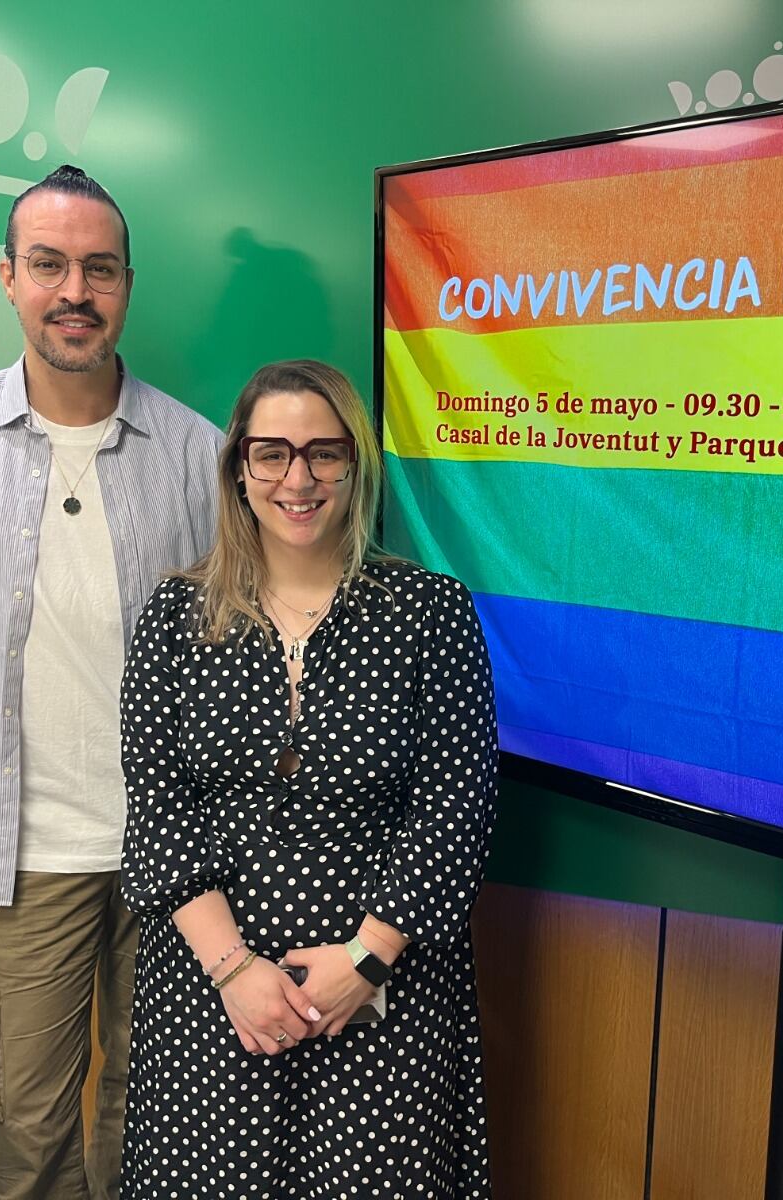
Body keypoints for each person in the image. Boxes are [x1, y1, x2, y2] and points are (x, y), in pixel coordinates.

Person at [0, 164, 220, 1200]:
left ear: (127, 284)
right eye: (49, 265)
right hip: (23, 853)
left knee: (154, 1108)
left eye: (99, 268)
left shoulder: (201, 455)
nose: (74, 290)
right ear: (8, 278)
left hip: (180, 855)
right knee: (27, 1128)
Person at [119, 359, 498, 1197]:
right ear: (238, 469)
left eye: (326, 454)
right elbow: (158, 807)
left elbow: (454, 807)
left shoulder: (429, 612)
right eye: (273, 454)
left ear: (355, 467)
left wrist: (364, 959)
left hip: (384, 989)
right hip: (213, 992)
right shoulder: (174, 618)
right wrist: (234, 973)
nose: (299, 478)